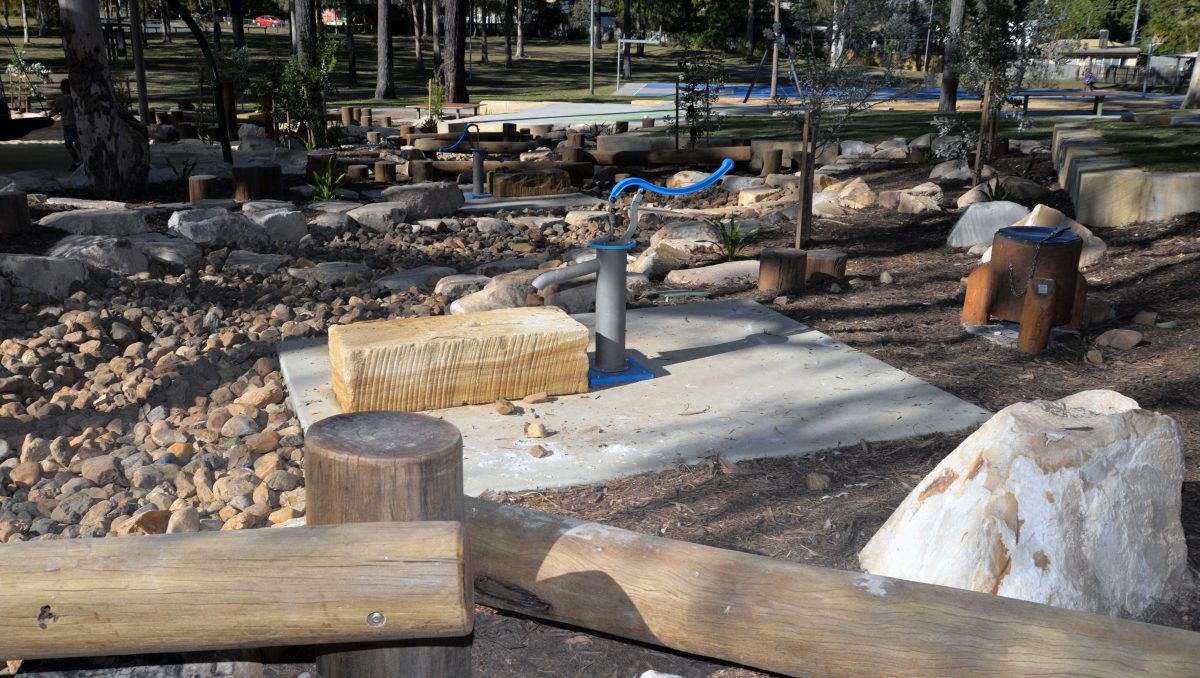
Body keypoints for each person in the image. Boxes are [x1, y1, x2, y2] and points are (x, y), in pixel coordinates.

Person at [47, 79, 81, 171]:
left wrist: (48, 116)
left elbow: (55, 110)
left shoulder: (62, 99)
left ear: (62, 88)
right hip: (78, 123)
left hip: (69, 124)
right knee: (78, 144)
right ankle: (84, 161)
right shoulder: (75, 96)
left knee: (68, 144)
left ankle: (78, 163)